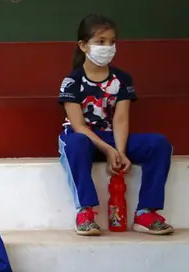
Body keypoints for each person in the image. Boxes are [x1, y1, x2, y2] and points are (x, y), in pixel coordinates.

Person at [58, 14, 174, 236]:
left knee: (159, 144)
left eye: (112, 42)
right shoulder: (72, 82)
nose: (108, 47)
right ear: (83, 45)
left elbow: (121, 118)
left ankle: (146, 213)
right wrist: (109, 151)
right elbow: (79, 126)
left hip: (113, 137)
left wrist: (120, 152)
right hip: (84, 140)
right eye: (100, 42)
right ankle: (86, 212)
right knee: (74, 143)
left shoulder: (122, 79)